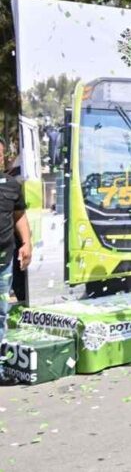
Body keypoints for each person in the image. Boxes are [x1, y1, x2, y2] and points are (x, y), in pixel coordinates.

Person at [0, 137, 31, 380]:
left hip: (4, 260)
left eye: (0, 154)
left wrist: (27, 243)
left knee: (1, 313)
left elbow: (19, 216)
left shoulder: (11, 185)